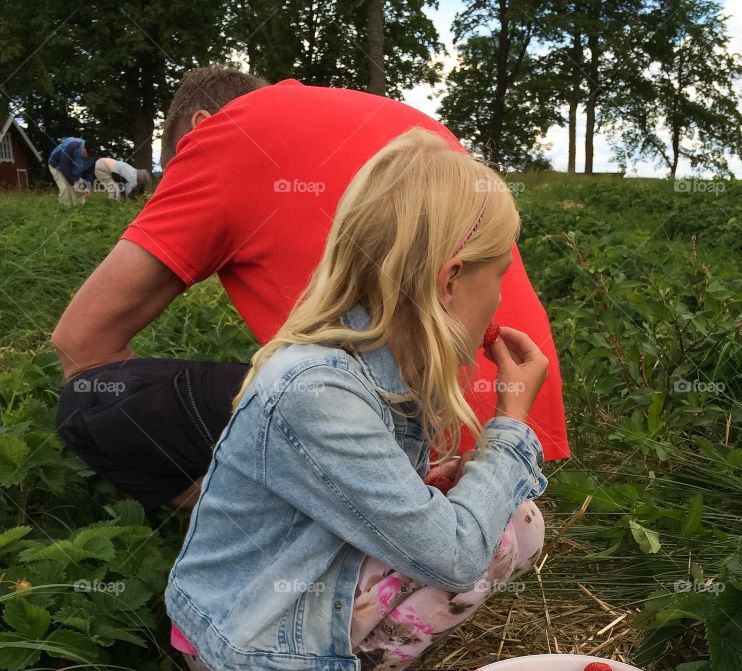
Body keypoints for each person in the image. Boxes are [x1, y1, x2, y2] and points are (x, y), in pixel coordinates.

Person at [51, 68, 569, 513]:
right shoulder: (396, 120)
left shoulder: (225, 134)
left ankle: (293, 533)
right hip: (516, 419)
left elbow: (81, 341)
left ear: (199, 126)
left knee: (93, 399)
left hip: (408, 446)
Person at [165, 129, 549, 671]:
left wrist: (429, 487)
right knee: (495, 538)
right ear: (450, 281)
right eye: (498, 275)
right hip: (247, 652)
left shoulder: (374, 356)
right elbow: (453, 557)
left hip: (281, 607)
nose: (499, 298)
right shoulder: (317, 390)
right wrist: (512, 422)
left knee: (509, 517)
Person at [48, 137, 96, 205]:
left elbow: (90, 173)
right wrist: (73, 183)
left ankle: (79, 207)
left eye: (91, 154)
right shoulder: (72, 146)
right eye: (87, 153)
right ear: (83, 148)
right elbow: (64, 167)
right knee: (65, 189)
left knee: (81, 189)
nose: (88, 156)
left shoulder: (92, 156)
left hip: (73, 169)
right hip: (57, 165)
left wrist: (87, 187)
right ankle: (64, 208)